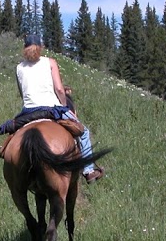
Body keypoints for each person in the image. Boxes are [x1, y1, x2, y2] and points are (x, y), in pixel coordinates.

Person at [14, 33, 104, 183]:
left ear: (25, 48)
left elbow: (22, 94)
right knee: (83, 132)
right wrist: (64, 107)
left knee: (12, 135)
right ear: (40, 47)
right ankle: (88, 171)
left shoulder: (19, 68)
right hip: (51, 108)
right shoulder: (50, 62)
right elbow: (60, 90)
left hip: (28, 111)